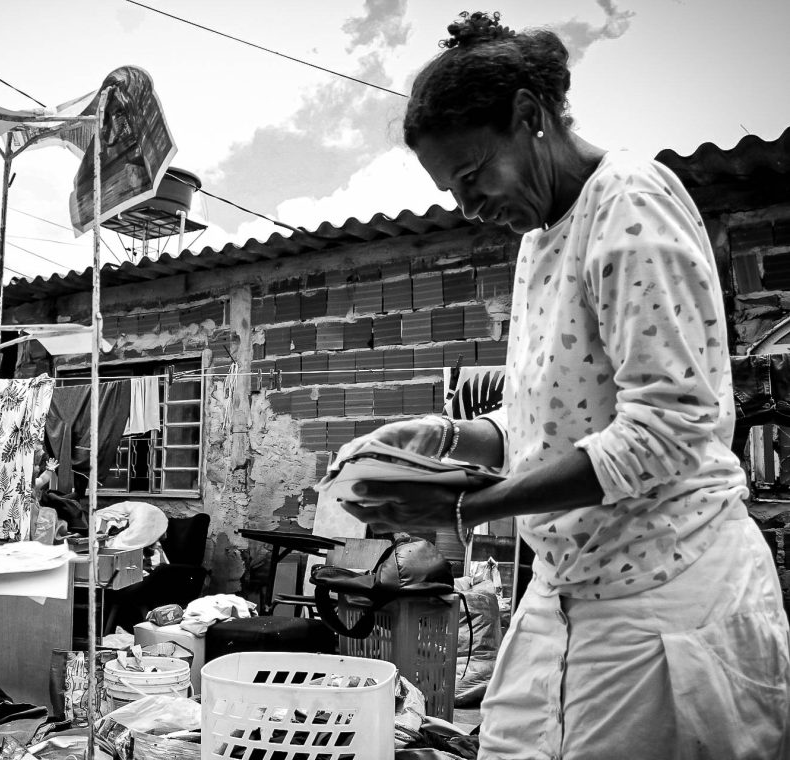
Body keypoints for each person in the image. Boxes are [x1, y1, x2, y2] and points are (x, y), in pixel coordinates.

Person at [338, 11, 790, 760]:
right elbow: (545, 423)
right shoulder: (539, 237)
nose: (467, 206)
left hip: (662, 587)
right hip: (569, 585)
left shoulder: (630, 203)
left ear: (529, 116)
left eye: (472, 175)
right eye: (453, 190)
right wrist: (446, 440)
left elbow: (667, 430)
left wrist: (467, 508)